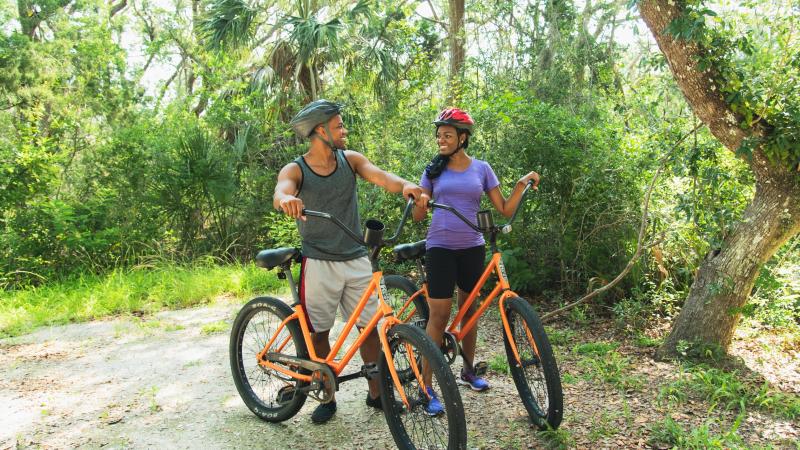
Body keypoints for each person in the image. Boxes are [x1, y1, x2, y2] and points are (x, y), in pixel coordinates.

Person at [274, 99, 427, 424]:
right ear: (320, 130)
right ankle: (326, 393)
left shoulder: (351, 160)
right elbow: (282, 189)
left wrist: (407, 187)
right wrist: (286, 198)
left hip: (357, 258)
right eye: (339, 125)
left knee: (369, 329)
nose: (345, 130)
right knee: (319, 333)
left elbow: (383, 177)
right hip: (319, 262)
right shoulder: (296, 169)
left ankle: (376, 394)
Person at [412, 107, 539, 402]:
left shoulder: (481, 168)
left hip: (472, 246)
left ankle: (468, 371)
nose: (441, 140)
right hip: (440, 246)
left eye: (447, 135)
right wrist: (419, 201)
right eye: (439, 136)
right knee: (440, 314)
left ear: (463, 137)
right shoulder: (433, 171)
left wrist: (522, 183)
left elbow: (504, 208)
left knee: (469, 310)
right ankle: (425, 384)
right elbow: (420, 216)